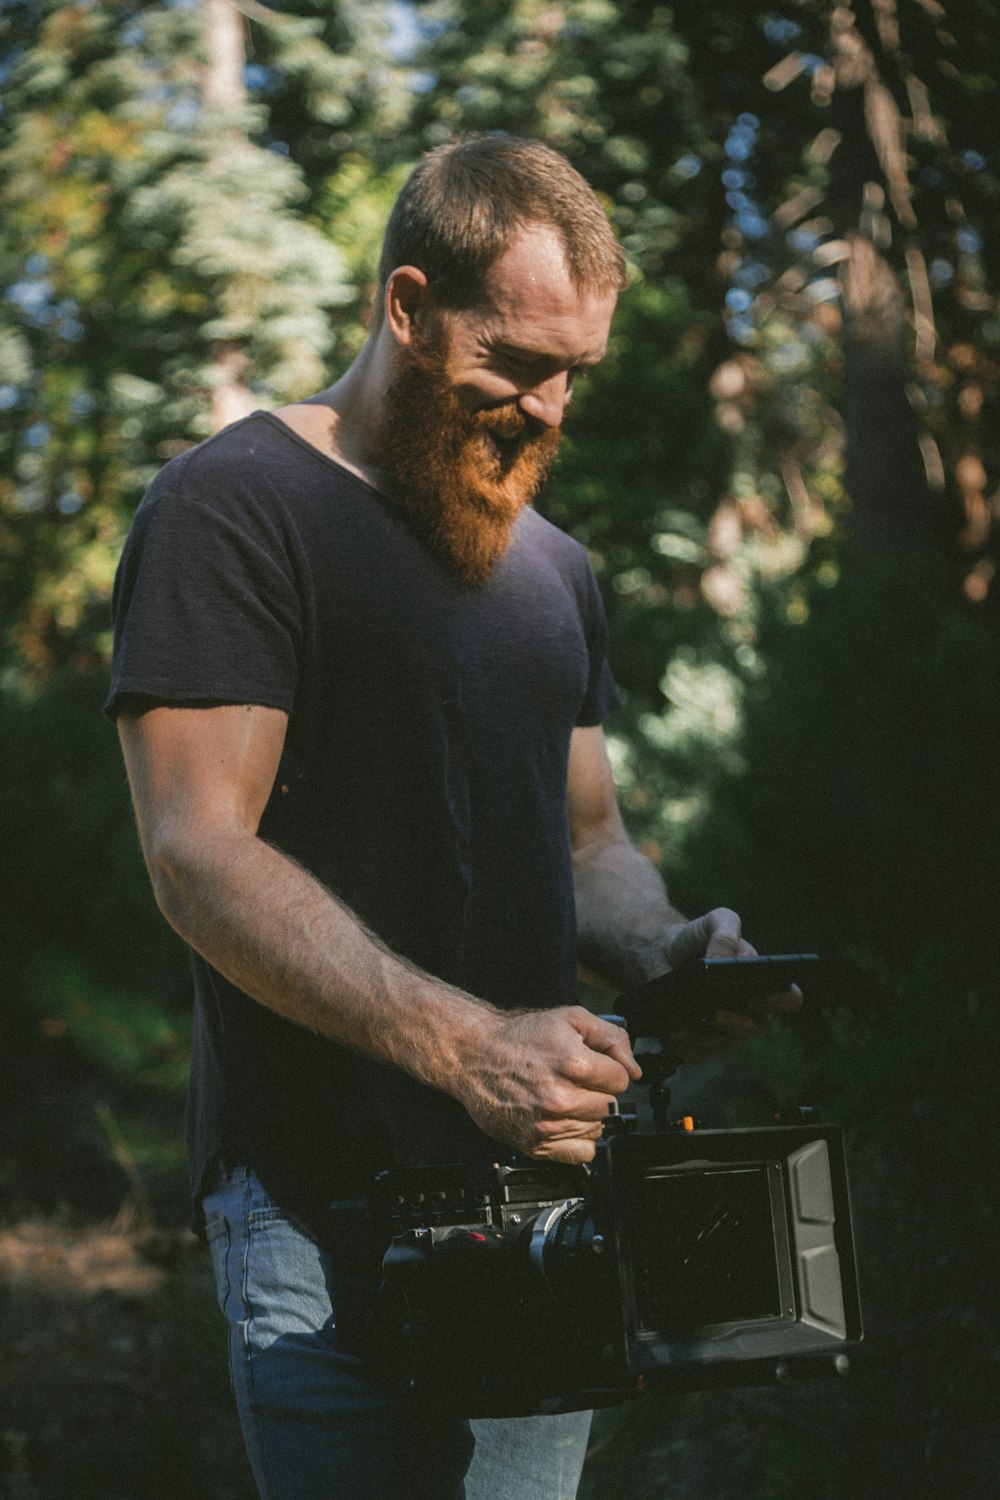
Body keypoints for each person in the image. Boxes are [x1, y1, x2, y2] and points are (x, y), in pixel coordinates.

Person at [107, 134, 799, 1500]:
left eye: (573, 375)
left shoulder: (556, 572)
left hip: (540, 1208)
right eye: (517, 364)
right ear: (408, 306)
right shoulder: (230, 510)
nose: (547, 409)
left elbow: (590, 847)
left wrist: (667, 951)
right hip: (321, 1212)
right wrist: (471, 1046)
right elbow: (196, 849)